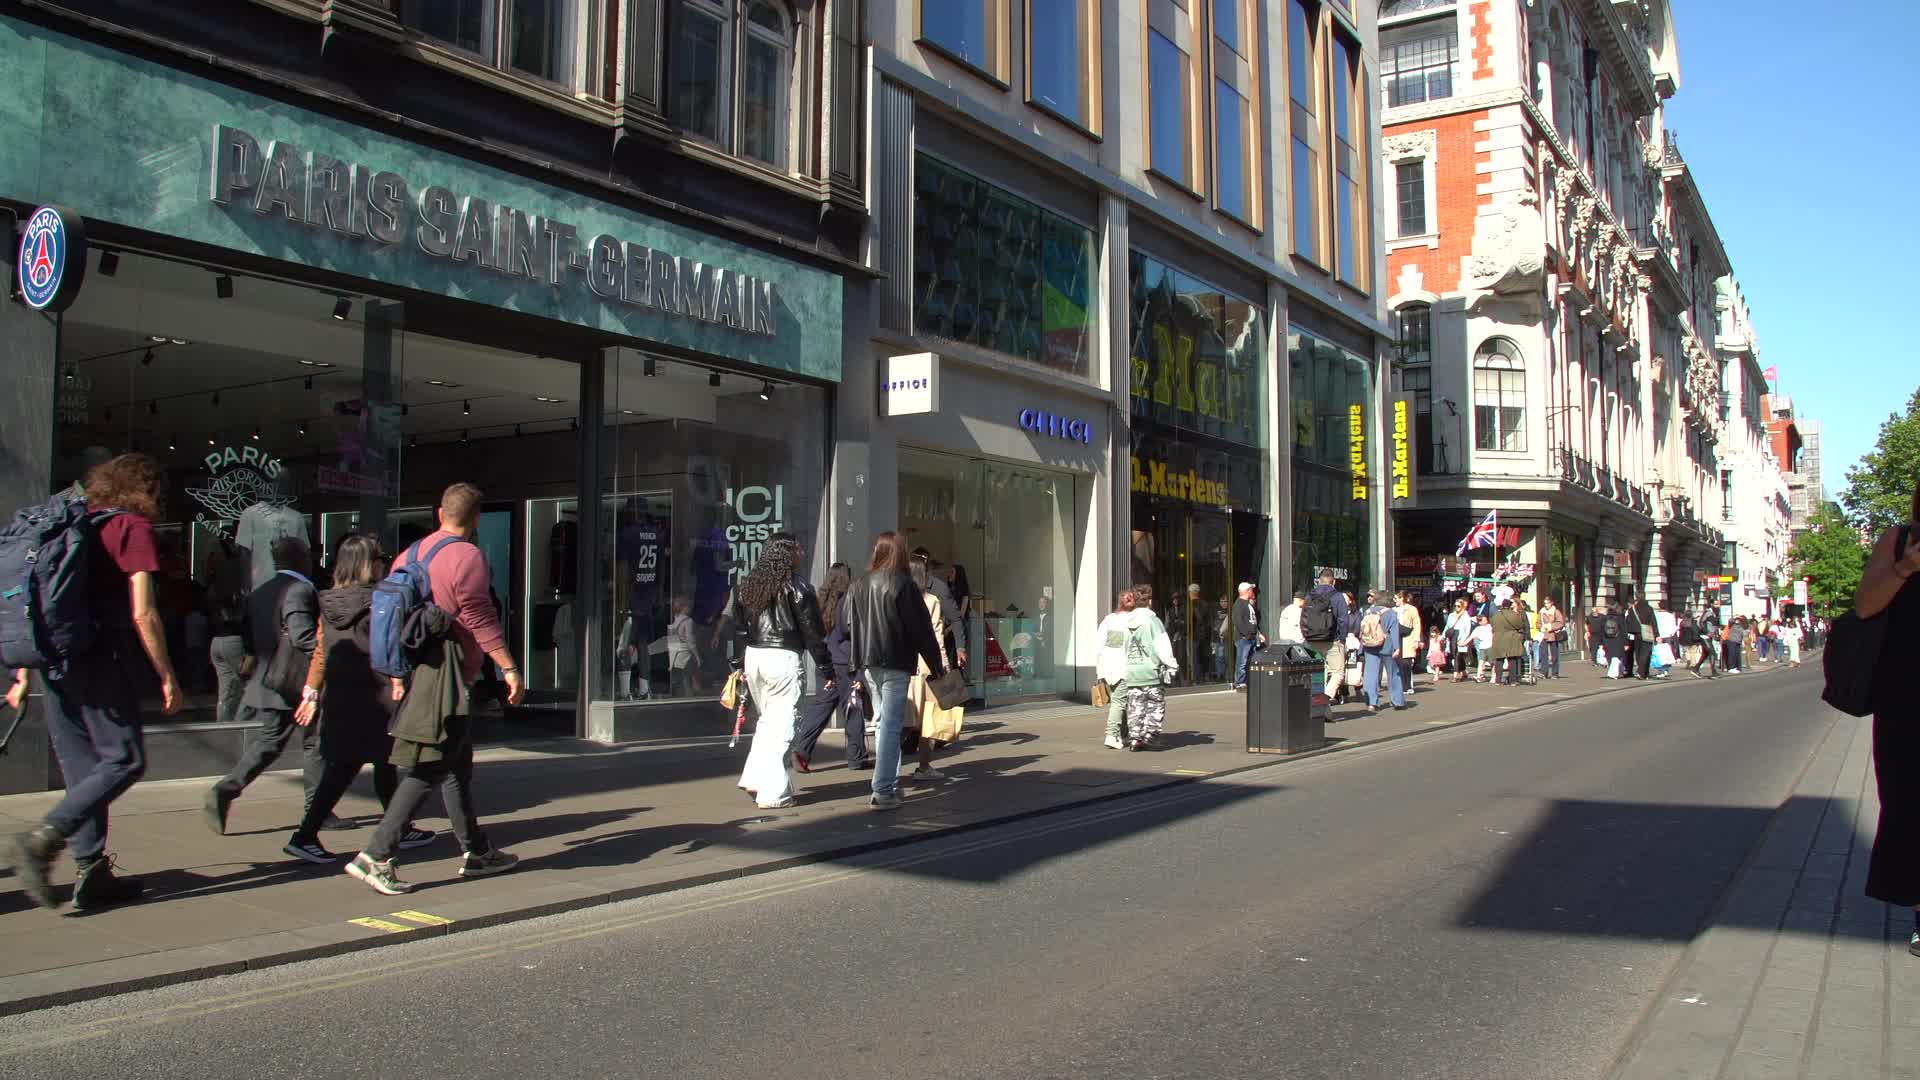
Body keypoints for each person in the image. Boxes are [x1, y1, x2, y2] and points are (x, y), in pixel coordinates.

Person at [6, 454, 183, 911]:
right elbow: (143, 612)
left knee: (82, 768)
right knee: (124, 758)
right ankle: (44, 838)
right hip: (101, 659)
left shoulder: (72, 521)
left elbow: (36, 599)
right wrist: (167, 674)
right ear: (147, 489)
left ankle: (92, 870)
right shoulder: (130, 527)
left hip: (55, 661)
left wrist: (22, 671)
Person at [344, 483, 523, 896]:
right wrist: (509, 668)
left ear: (440, 513)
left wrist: (396, 672)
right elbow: (479, 618)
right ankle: (376, 854)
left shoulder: (409, 555)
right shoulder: (468, 557)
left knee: (456, 765)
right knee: (430, 766)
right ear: (476, 519)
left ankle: (477, 852)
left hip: (418, 668)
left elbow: (393, 616)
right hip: (448, 674)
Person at [284, 535, 434, 864]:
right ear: (369, 564)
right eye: (380, 559)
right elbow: (390, 646)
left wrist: (312, 692)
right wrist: (400, 679)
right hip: (376, 695)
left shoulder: (328, 601)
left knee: (367, 762)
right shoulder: (381, 600)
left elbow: (321, 652)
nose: (383, 564)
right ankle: (305, 835)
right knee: (365, 763)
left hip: (340, 695)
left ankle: (397, 827)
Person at [203, 535, 322, 835]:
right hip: (295, 680)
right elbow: (302, 636)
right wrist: (327, 654)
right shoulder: (300, 589)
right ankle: (316, 810)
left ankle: (227, 789)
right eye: (308, 555)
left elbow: (250, 635)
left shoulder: (261, 591)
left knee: (271, 742)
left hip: (270, 679)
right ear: (300, 558)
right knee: (313, 744)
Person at [1853, 477, 1920, 960]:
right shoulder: (1899, 540)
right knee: (1911, 807)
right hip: (1908, 701)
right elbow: (1865, 606)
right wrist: (1904, 568)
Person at [730, 536, 832, 809]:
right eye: (797, 548)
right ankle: (774, 792)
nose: (802, 552)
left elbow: (739, 629)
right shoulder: (798, 587)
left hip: (755, 656)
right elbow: (813, 633)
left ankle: (754, 777)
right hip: (783, 658)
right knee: (784, 724)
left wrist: (739, 663)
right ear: (787, 554)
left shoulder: (749, 585)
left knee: (767, 721)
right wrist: (827, 668)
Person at [846, 532, 946, 811]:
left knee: (882, 724)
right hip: (896, 661)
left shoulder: (858, 584)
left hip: (868, 663)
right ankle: (883, 789)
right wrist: (936, 666)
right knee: (890, 726)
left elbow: (846, 624)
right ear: (900, 552)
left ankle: (888, 783)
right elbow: (922, 630)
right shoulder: (904, 584)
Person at [791, 564, 862, 773]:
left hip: (824, 661)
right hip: (845, 662)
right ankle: (856, 757)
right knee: (853, 708)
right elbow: (853, 633)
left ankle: (802, 749)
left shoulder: (818, 601)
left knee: (821, 707)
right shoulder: (848, 601)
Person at [905, 555, 964, 780]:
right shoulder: (931, 601)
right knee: (929, 720)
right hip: (927, 668)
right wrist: (944, 666)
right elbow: (937, 638)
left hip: (903, 667)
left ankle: (887, 770)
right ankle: (924, 767)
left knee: (901, 720)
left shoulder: (897, 599)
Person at [1301, 570, 1351, 705]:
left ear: (1319, 581)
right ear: (1333, 581)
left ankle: (1315, 699)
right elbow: (1343, 620)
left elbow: (1303, 618)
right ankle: (1325, 696)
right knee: (1338, 672)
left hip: (1311, 640)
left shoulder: (1309, 596)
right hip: (1332, 640)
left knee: (1317, 671)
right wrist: (1342, 638)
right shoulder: (1337, 596)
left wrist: (1306, 635)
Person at [1355, 589, 1404, 712]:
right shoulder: (1391, 613)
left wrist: (1361, 647)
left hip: (1369, 645)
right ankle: (1397, 701)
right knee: (1393, 672)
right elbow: (1394, 632)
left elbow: (1363, 630)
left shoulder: (1368, 612)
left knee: (1370, 673)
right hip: (1387, 645)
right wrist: (1397, 648)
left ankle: (1371, 703)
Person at [208, 583, 249, 726]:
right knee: (246, 684)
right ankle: (242, 722)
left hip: (216, 641)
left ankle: (222, 723)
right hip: (234, 640)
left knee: (225, 687)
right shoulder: (241, 602)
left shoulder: (218, 603)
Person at [1230, 582, 1265, 690]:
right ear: (1246, 591)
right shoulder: (1239, 604)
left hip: (1251, 638)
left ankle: (1248, 681)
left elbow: (1252, 621)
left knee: (1250, 661)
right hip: (1243, 639)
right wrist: (1246, 634)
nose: (1252, 591)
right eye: (1250, 589)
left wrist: (1257, 634)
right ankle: (1240, 682)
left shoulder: (1248, 604)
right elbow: (1238, 621)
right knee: (1242, 661)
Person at [1491, 599, 1528, 686]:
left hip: (1498, 639)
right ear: (1510, 605)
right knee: (1512, 660)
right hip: (1511, 638)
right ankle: (1513, 681)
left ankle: (1498, 680)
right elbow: (1520, 625)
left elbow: (1493, 625)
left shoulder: (1495, 615)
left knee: (1499, 660)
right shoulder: (1514, 615)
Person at [1394, 589, 1422, 695]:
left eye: (1396, 598)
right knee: (1398, 664)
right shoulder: (1393, 610)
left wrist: (1416, 640)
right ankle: (1401, 686)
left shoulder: (1412, 609)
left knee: (1406, 663)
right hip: (1396, 639)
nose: (1394, 600)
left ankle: (1408, 686)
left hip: (1408, 638)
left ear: (1402, 598)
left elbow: (1417, 625)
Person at [1627, 591, 1659, 680]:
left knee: (1638, 653)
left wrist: (1632, 631)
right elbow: (1653, 622)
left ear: (1636, 597)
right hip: (1647, 633)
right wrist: (1657, 634)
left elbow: (1628, 621)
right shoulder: (1649, 608)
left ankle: (1643, 672)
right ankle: (1642, 672)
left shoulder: (1632, 609)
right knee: (1646, 653)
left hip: (1637, 634)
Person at [1442, 598, 1474, 683]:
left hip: (1460, 637)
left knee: (1457, 655)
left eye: (1459, 606)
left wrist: (1464, 640)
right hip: (1452, 637)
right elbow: (1447, 626)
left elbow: (1467, 630)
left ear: (1463, 606)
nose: (1456, 607)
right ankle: (1463, 671)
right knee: (1456, 655)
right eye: (1455, 606)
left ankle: (1455, 675)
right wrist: (1443, 636)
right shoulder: (1451, 615)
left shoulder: (1466, 616)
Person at [1537, 597, 1567, 680]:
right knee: (1544, 655)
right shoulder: (1541, 612)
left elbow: (1560, 623)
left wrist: (1551, 626)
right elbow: (1538, 623)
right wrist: (1541, 627)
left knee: (1555, 655)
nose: (1546, 605)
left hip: (1554, 635)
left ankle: (1555, 673)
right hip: (1544, 635)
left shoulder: (1556, 611)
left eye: (1548, 603)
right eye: (1545, 603)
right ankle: (1544, 672)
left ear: (1551, 603)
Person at [1691, 611, 1721, 678]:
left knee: (1705, 654)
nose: (1718, 606)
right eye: (1716, 605)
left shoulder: (1716, 614)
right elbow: (1700, 622)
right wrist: (1705, 632)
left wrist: (1716, 634)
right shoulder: (1708, 613)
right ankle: (1714, 672)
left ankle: (1695, 669)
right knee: (1712, 652)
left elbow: (1715, 626)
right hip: (1704, 636)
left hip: (1709, 636)